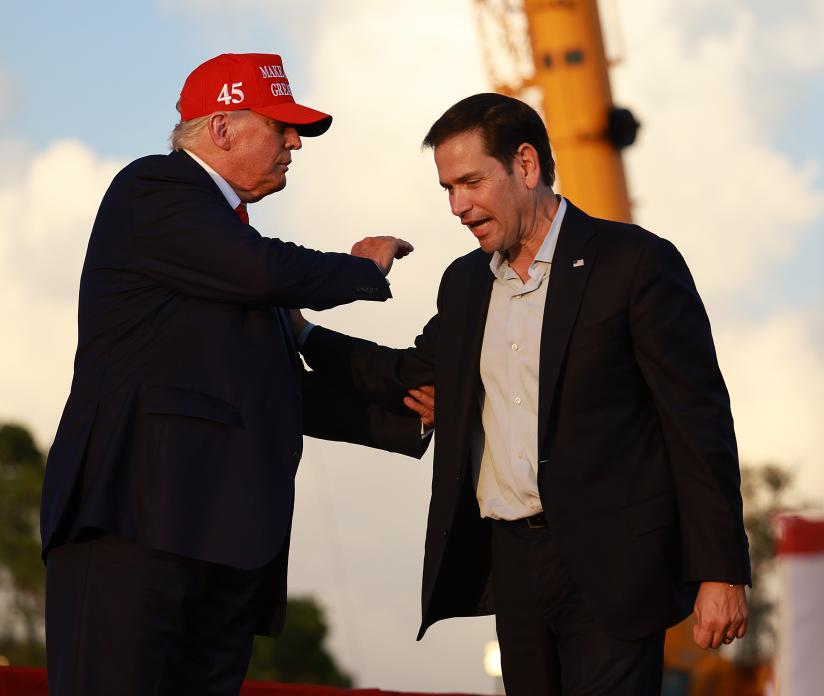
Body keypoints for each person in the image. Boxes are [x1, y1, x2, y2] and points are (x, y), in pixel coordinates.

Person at [297, 93, 752, 695]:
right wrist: (300, 331)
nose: (459, 206)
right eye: (448, 190)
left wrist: (720, 570)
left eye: (471, 182)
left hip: (613, 567)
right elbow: (406, 376)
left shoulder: (636, 263)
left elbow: (698, 423)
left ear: (527, 166)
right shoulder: (464, 284)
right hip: (510, 564)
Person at [39, 53, 428, 696]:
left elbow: (270, 391)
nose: (295, 143)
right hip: (137, 529)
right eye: (281, 127)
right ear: (221, 128)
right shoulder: (155, 190)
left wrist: (410, 408)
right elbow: (266, 271)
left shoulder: (224, 250)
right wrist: (360, 268)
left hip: (223, 546)